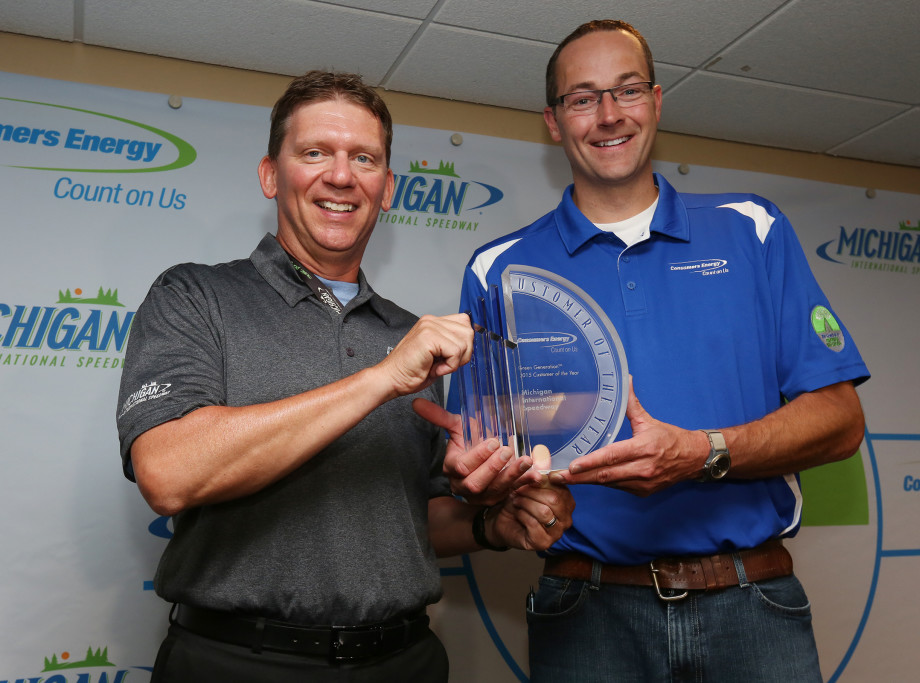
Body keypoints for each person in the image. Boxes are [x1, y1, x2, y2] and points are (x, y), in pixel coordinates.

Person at [445, 20, 870, 682]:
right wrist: (492, 492)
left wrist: (701, 452)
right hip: (584, 612)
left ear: (657, 101)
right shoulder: (499, 269)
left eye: (627, 90)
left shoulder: (752, 229)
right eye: (583, 98)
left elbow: (842, 419)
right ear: (553, 122)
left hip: (750, 602)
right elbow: (474, 468)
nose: (609, 114)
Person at [115, 70, 572, 683]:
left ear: (386, 188)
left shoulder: (411, 335)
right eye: (315, 153)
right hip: (239, 664)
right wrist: (381, 378)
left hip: (403, 661)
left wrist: (492, 525)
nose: (341, 175)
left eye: (365, 158)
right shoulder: (195, 295)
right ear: (271, 175)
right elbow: (167, 472)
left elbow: (405, 523)